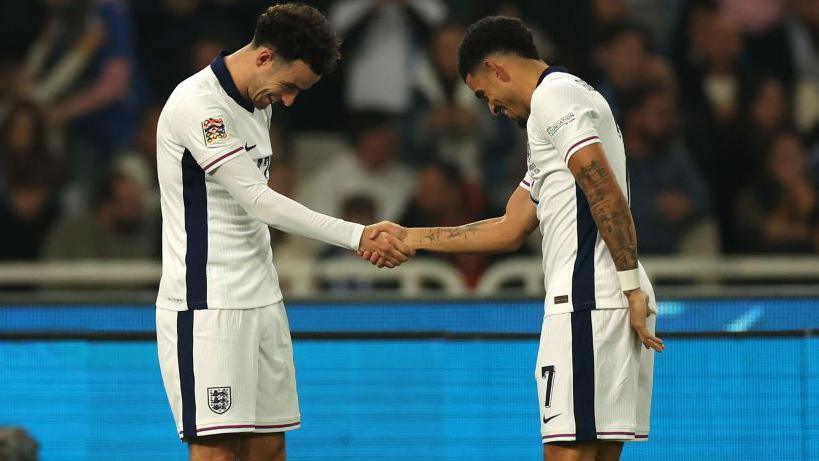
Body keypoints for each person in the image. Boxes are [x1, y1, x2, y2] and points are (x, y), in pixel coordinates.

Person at [360, 16, 664, 461]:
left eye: (484, 94)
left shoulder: (552, 98)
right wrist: (411, 236)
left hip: (589, 300)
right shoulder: (564, 104)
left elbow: (603, 191)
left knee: (565, 454)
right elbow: (509, 227)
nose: (491, 108)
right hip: (604, 296)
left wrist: (629, 285)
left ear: (496, 68)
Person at [153, 4, 411, 461]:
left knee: (269, 448)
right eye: (290, 87)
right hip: (209, 304)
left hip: (263, 298)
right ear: (265, 56)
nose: (289, 100)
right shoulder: (200, 105)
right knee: (216, 453)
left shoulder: (259, 100)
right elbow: (258, 199)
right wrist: (356, 236)